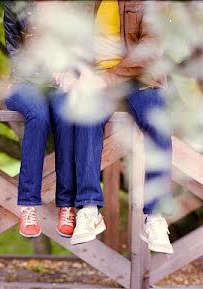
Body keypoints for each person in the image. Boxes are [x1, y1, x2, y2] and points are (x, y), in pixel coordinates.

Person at [51, 0, 174, 253]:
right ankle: (88, 209)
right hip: (95, 82)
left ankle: (155, 217)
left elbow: (149, 51)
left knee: (158, 122)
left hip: (140, 79)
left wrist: (105, 79)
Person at [3, 0, 76, 239]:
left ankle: (67, 206)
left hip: (58, 84)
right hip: (24, 83)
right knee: (39, 115)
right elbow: (14, 48)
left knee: (66, 115)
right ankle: (28, 207)